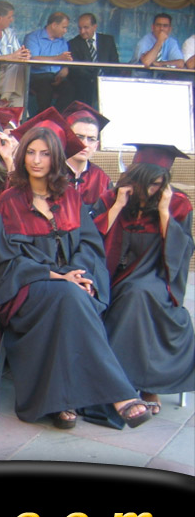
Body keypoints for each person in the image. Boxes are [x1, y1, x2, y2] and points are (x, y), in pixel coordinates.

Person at [0, 111, 152, 430]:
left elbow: (90, 246)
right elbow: (8, 259)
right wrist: (58, 276)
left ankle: (62, 404)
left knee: (70, 299)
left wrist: (78, 274)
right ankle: (120, 395)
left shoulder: (70, 197)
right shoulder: (9, 201)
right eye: (31, 152)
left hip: (68, 290)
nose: (37, 160)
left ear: (56, 158)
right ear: (22, 156)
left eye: (45, 154)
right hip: (25, 289)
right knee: (69, 296)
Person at [92, 143, 194, 415]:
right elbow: (91, 239)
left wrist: (164, 212)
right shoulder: (112, 198)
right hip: (111, 275)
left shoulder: (178, 204)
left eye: (156, 184)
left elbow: (181, 251)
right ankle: (138, 385)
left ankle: (136, 384)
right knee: (131, 295)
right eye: (144, 183)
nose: (149, 190)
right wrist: (118, 206)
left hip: (156, 276)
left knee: (140, 295)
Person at [60, 101, 112, 206]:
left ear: (96, 145)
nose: (84, 144)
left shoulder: (102, 179)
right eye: (79, 137)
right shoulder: (51, 173)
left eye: (91, 139)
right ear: (66, 138)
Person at [23, 12, 75, 114]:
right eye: (64, 27)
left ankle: (55, 115)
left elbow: (65, 63)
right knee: (45, 85)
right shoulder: (33, 37)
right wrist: (58, 58)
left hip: (56, 76)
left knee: (70, 88)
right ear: (54, 25)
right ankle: (42, 115)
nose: (65, 31)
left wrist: (64, 71)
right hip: (36, 76)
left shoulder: (62, 41)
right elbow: (33, 60)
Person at [67, 13, 120, 106]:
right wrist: (95, 79)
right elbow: (77, 69)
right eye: (80, 28)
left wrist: (110, 81)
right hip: (86, 84)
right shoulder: (73, 43)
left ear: (94, 27)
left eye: (86, 27)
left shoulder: (108, 40)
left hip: (107, 82)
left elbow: (115, 63)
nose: (82, 31)